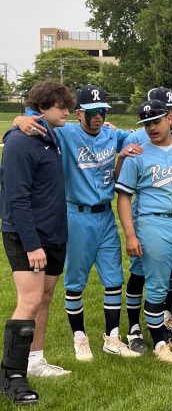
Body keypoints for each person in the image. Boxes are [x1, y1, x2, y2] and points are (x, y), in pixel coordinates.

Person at [14, 84, 140, 361]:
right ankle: (79, 338)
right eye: (93, 112)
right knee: (75, 281)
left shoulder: (111, 134)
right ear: (79, 113)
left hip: (106, 216)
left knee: (114, 279)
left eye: (103, 111)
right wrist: (19, 118)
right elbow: (34, 117)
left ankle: (112, 337)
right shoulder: (65, 133)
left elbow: (142, 136)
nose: (98, 117)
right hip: (76, 216)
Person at [115, 99, 172, 362]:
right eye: (146, 124)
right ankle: (160, 344)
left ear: (169, 118)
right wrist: (131, 236)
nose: (151, 128)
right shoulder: (137, 154)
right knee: (156, 288)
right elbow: (123, 198)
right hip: (153, 223)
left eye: (155, 121)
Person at [0, 81, 73, 406]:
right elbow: (15, 198)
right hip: (27, 236)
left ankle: (36, 360)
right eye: (62, 107)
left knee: (45, 296)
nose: (68, 113)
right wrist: (32, 245)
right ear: (43, 107)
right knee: (29, 301)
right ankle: (12, 376)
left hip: (54, 234)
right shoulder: (20, 140)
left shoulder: (50, 134)